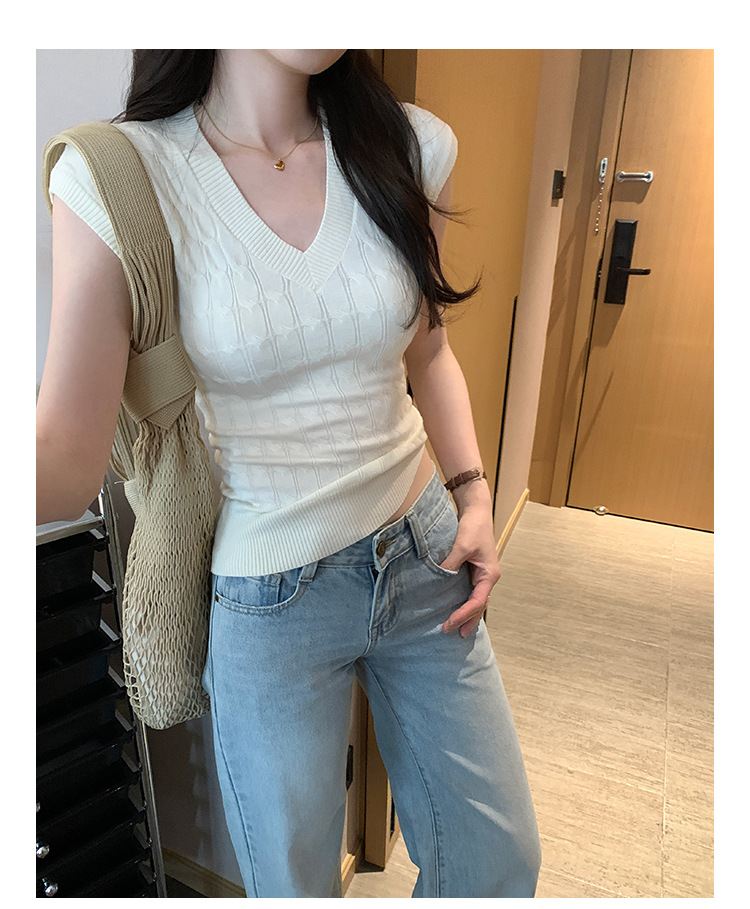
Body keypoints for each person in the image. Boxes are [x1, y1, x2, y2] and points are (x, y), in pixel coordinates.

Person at [36, 49, 541, 899]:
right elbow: (64, 457)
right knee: (293, 887)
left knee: (497, 861)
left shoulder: (408, 145)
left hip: (425, 555)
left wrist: (474, 494)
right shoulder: (120, 176)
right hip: (271, 599)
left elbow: (429, 348)